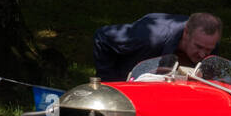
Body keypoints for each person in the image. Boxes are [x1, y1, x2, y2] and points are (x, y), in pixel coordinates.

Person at [92, 12, 222, 81]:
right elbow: (102, 37)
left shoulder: (208, 43)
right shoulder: (150, 37)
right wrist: (108, 83)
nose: (202, 55)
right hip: (127, 78)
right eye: (198, 47)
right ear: (186, 32)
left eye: (208, 49)